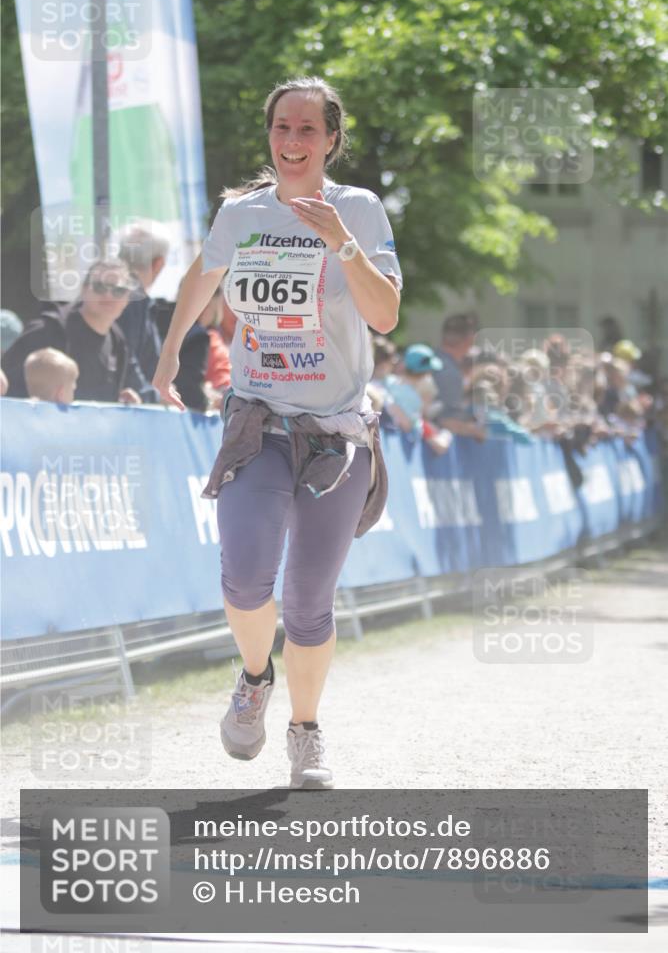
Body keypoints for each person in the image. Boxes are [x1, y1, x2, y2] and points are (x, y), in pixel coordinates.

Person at [152, 76, 401, 788]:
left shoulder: (359, 209)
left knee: (309, 599)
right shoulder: (242, 213)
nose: (292, 143)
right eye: (281, 129)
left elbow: (384, 317)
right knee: (244, 572)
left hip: (338, 436)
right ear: (271, 136)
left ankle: (306, 729)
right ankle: (255, 676)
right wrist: (171, 353)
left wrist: (342, 244)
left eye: (307, 131)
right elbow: (205, 271)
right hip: (258, 419)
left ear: (330, 140)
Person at [1, 259, 143, 404]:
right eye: (100, 287)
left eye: (118, 290)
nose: (109, 295)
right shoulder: (48, 330)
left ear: (127, 298)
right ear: (84, 289)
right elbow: (6, 390)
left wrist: (124, 402)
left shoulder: (119, 344)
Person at [117, 219, 170, 397]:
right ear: (158, 264)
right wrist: (156, 396)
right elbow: (126, 360)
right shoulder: (131, 300)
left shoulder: (107, 292)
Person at [432, 313, 486, 440]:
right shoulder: (450, 373)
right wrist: (475, 430)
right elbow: (446, 420)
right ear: (470, 340)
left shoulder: (432, 359)